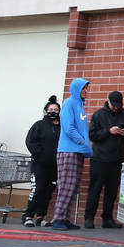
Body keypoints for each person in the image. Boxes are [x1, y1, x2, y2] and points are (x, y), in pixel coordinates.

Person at [84, 90, 124, 229]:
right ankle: (89, 218)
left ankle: (107, 218)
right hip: (99, 158)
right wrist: (108, 131)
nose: (116, 107)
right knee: (95, 189)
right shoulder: (99, 114)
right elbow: (92, 135)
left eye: (118, 105)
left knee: (112, 191)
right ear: (108, 100)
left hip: (117, 159)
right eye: (114, 104)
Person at [51, 78, 92, 231]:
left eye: (87, 89)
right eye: (83, 89)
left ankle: (65, 218)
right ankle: (58, 218)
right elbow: (68, 128)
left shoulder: (80, 106)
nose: (86, 91)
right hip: (68, 151)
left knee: (73, 187)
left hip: (77, 151)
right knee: (66, 186)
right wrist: (82, 142)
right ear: (76, 89)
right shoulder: (69, 103)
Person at [23, 97, 62, 227]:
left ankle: (41, 216)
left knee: (48, 190)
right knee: (38, 189)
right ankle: (28, 215)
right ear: (46, 111)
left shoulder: (62, 127)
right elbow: (30, 141)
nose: (53, 112)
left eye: (56, 110)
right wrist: (40, 154)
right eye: (51, 109)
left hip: (55, 165)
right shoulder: (38, 125)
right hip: (40, 163)